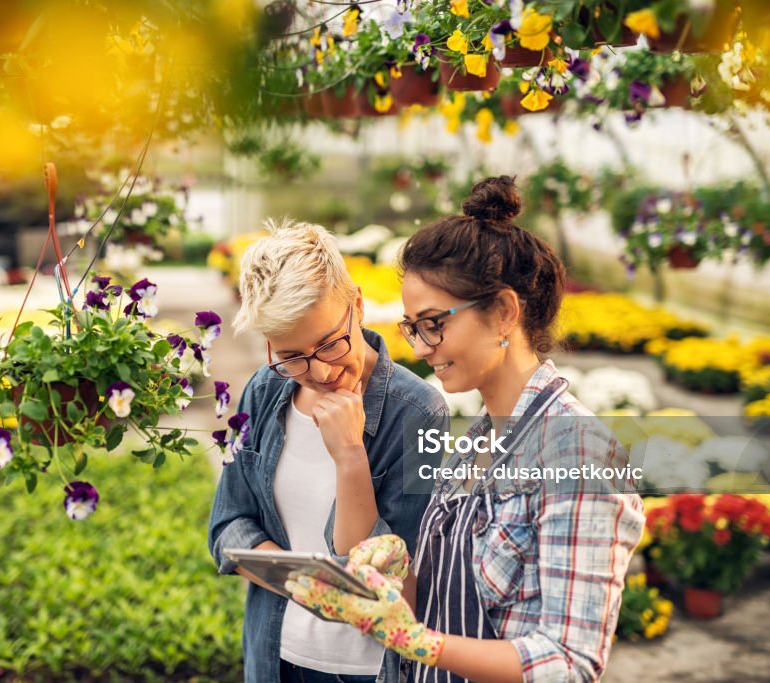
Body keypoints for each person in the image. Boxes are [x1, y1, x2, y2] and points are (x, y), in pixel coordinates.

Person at [287, 177, 645, 683]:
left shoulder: (576, 452)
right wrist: (388, 574)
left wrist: (415, 642)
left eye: (434, 322)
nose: (419, 347)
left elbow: (569, 661)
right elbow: (434, 606)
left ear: (503, 312)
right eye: (412, 327)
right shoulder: (477, 442)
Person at [208, 219, 451, 683]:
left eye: (328, 344)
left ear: (357, 305)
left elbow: (386, 579)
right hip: (273, 654)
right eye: (292, 355)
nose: (318, 372)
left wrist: (350, 457)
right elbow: (227, 524)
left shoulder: (418, 412)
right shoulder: (264, 391)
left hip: (364, 669)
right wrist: (303, 586)